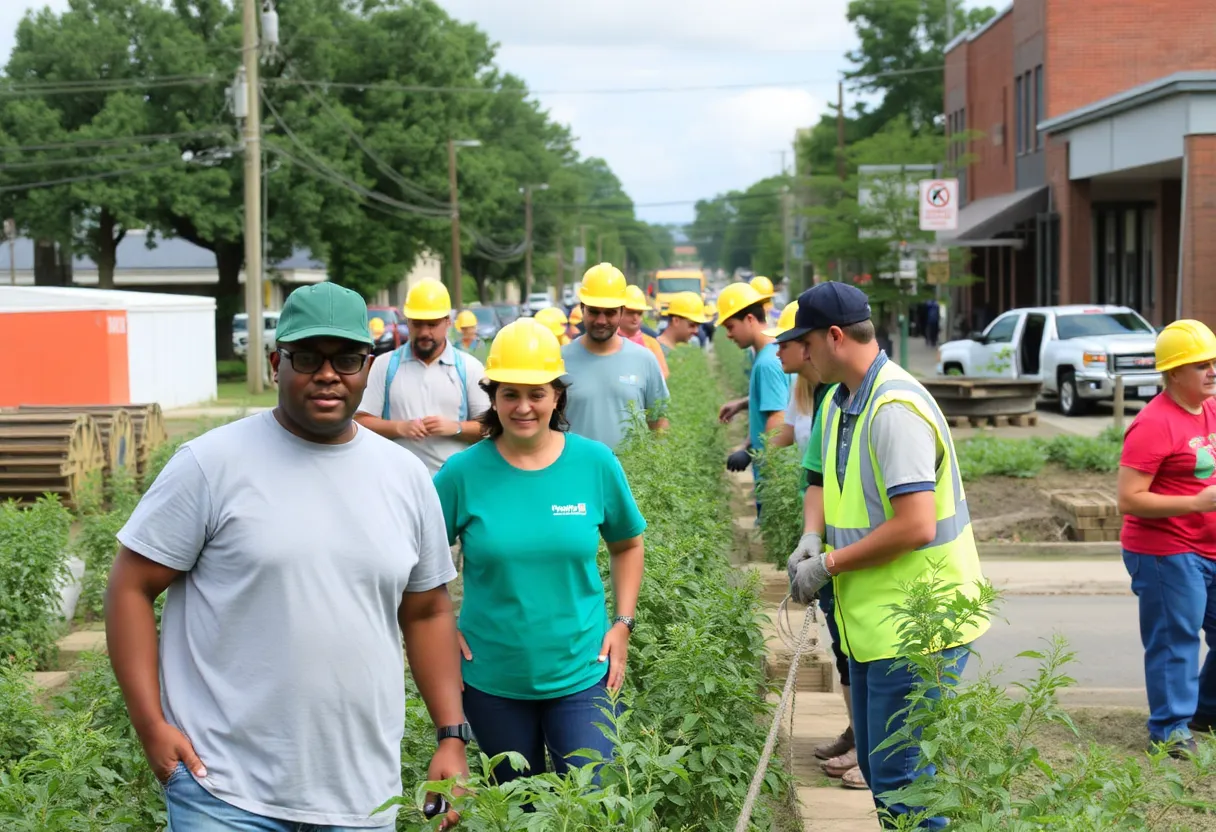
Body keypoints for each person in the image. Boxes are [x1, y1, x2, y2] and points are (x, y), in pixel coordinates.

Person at [105, 282, 468, 832]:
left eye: (346, 358)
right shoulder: (211, 464)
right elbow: (130, 586)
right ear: (277, 363)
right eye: (307, 357)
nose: (328, 374)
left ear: (367, 367)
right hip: (222, 792)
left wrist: (450, 735)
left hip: (361, 797)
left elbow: (427, 611)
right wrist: (150, 724)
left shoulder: (406, 478)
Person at [781, 281, 989, 829]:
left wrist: (828, 564)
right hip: (878, 622)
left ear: (833, 336)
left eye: (807, 341)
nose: (803, 354)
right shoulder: (848, 401)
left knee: (905, 784)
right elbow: (827, 483)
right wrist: (812, 536)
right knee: (885, 774)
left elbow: (917, 525)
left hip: (919, 626)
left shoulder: (893, 407)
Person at [433, 319, 646, 786]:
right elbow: (413, 560)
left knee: (589, 803)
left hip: (581, 670)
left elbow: (628, 544)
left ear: (557, 396)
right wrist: (442, 627)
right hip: (491, 678)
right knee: (515, 807)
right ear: (493, 397)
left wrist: (622, 624)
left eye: (537, 393)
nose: (524, 406)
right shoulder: (462, 473)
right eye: (510, 393)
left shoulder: (594, 463)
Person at [770, 299, 861, 789]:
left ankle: (870, 751)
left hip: (865, 562)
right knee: (847, 652)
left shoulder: (870, 400)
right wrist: (812, 537)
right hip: (838, 555)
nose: (784, 351)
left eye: (791, 341)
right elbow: (817, 475)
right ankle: (859, 738)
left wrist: (828, 558)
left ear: (823, 340)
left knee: (866, 662)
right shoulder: (830, 400)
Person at [1116, 318, 1216, 757]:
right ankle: (1170, 729)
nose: (1212, 371)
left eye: (1213, 361)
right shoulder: (1154, 423)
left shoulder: (1211, 408)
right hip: (1165, 550)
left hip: (1208, 546)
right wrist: (1197, 503)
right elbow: (1129, 499)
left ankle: (1204, 711)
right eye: (1200, 365)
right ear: (1173, 372)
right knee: (1176, 639)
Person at [356, 278, 490, 476]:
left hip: (451, 485)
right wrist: (399, 428)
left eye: (432, 324)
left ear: (447, 323)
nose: (424, 332)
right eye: (417, 324)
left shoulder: (470, 368)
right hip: (398, 482)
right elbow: (360, 422)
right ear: (408, 323)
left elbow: (489, 428)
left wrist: (456, 427)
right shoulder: (385, 366)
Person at [562, 263, 670, 451]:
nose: (601, 320)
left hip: (630, 476)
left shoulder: (645, 360)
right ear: (582, 308)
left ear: (621, 311)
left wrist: (658, 463)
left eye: (610, 313)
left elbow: (658, 422)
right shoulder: (559, 361)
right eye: (594, 311)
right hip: (574, 475)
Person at [716, 281, 791, 515]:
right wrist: (743, 403)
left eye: (731, 326)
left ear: (750, 319)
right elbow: (775, 400)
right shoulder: (769, 355)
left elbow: (777, 417)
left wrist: (756, 458)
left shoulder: (768, 362)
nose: (728, 335)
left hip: (773, 478)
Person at [622, 284, 670, 379]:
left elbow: (663, 374)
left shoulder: (651, 343)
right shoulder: (608, 341)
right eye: (630, 313)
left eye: (639, 313)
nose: (635, 318)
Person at [657, 292, 709, 357]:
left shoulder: (672, 351)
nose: (696, 331)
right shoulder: (657, 352)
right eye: (692, 325)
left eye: (698, 326)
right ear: (676, 321)